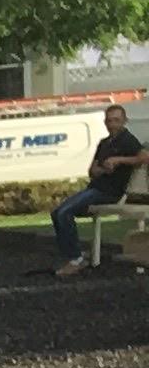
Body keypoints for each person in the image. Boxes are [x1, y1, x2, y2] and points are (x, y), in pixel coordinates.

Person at [50, 100, 148, 270]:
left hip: (110, 192)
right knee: (59, 213)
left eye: (116, 120)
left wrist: (119, 160)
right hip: (95, 188)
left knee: (63, 212)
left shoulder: (128, 140)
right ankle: (75, 255)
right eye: (109, 120)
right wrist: (100, 170)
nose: (112, 124)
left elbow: (144, 157)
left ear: (124, 121)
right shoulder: (104, 143)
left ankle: (76, 259)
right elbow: (92, 170)